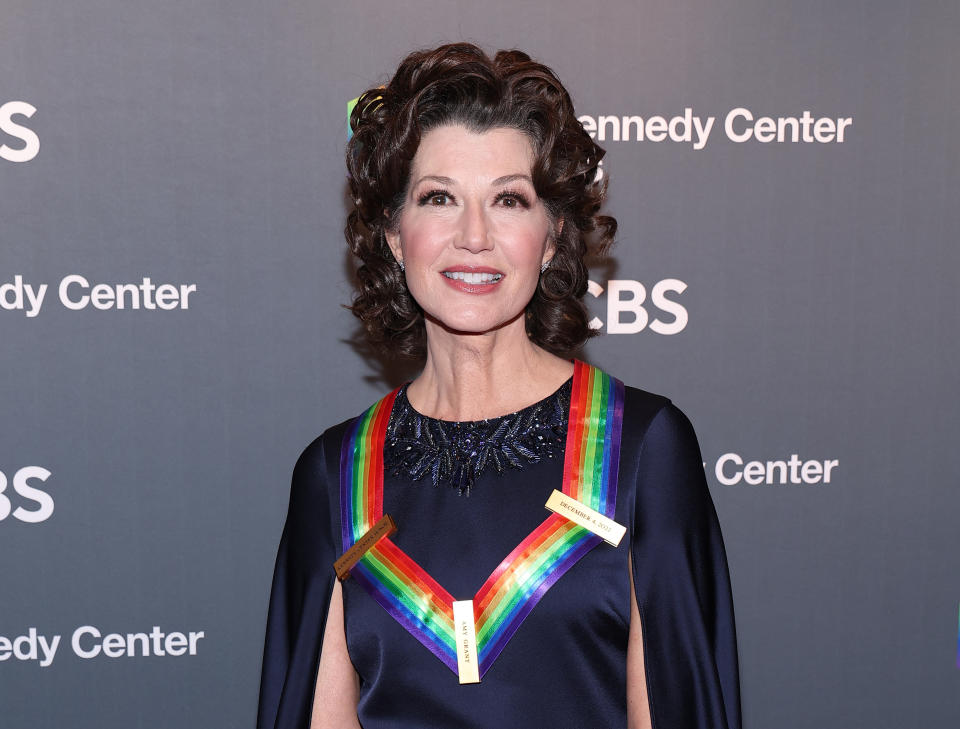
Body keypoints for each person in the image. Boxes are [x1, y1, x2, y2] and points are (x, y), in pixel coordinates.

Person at [257, 42, 740, 729]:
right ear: (395, 234)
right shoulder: (336, 473)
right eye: (439, 198)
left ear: (551, 237)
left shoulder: (639, 449)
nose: (474, 235)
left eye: (509, 199)